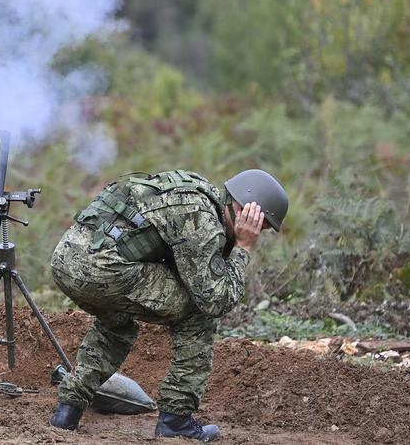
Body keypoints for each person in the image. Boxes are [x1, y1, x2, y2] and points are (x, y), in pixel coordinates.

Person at [48, 168, 288, 442]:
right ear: (246, 210)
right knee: (198, 315)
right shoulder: (200, 220)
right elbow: (215, 300)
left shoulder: (197, 195)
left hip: (67, 262)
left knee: (117, 327)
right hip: (103, 268)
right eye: (261, 225)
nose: (259, 232)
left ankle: (67, 412)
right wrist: (243, 247)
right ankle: (176, 419)